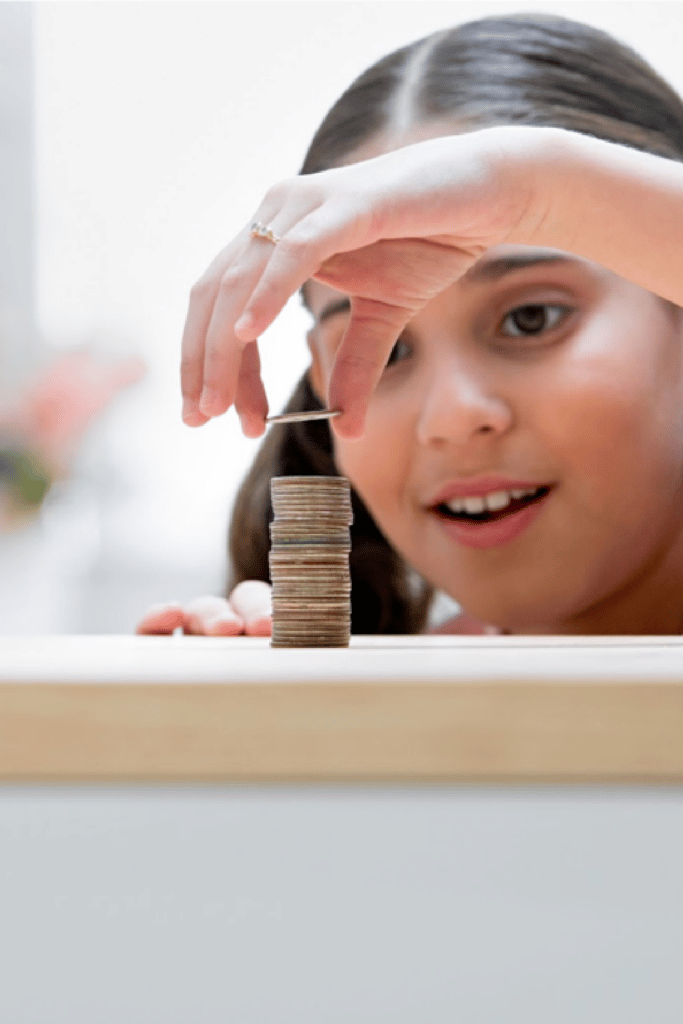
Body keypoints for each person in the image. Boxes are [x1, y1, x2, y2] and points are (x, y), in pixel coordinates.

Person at [137, 11, 683, 638]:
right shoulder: (386, 707)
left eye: (531, 319)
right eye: (387, 352)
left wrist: (544, 189)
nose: (451, 419)